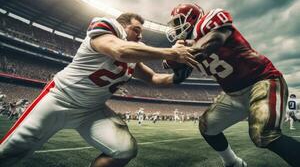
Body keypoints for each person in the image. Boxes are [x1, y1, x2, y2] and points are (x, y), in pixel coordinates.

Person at [0, 12, 198, 167]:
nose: (140, 35)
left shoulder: (133, 56)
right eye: (136, 29)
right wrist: (171, 52)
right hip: (59, 100)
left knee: (124, 149)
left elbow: (154, 78)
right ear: (122, 25)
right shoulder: (107, 29)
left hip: (91, 111)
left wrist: (179, 75)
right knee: (10, 151)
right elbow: (119, 51)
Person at [165, 3, 300, 167]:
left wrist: (177, 55)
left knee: (264, 134)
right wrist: (165, 62)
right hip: (234, 94)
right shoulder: (188, 47)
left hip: (262, 80)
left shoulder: (207, 25)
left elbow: (213, 41)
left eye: (178, 21)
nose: (176, 28)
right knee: (207, 127)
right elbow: (174, 79)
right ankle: (234, 163)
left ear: (192, 18)